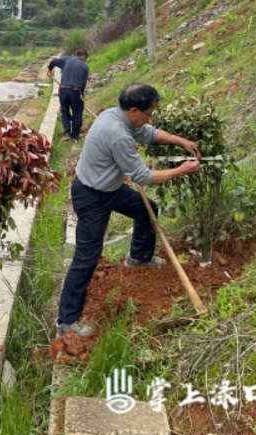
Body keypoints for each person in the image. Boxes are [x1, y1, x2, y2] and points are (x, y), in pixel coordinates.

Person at [57, 84, 201, 337]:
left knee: (147, 210)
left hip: (109, 187)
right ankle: (66, 320)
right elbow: (144, 177)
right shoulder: (118, 134)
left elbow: (148, 133)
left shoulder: (116, 115)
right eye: (149, 112)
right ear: (134, 110)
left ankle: (138, 257)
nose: (150, 118)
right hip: (92, 195)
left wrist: (181, 141)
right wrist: (182, 170)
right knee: (88, 255)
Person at [47, 49, 89, 142]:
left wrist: (49, 70)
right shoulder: (85, 67)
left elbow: (53, 62)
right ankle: (75, 135)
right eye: (85, 59)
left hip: (63, 90)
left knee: (65, 111)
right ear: (84, 58)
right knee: (77, 113)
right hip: (75, 91)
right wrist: (81, 97)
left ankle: (66, 133)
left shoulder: (66, 60)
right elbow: (82, 85)